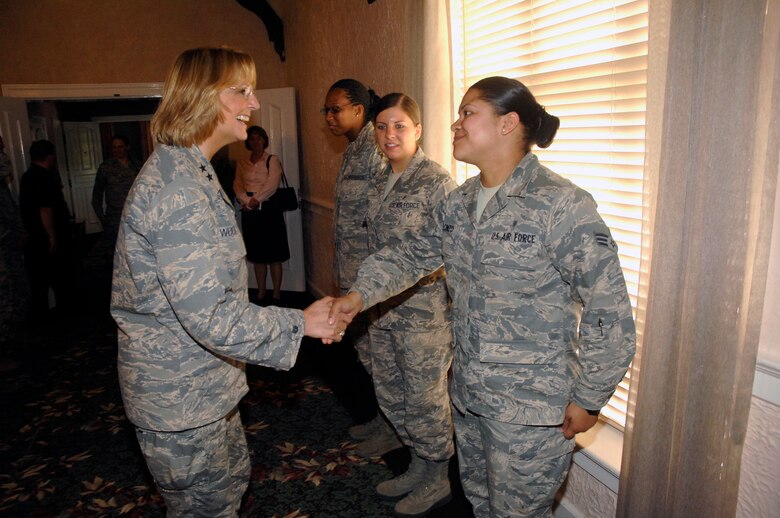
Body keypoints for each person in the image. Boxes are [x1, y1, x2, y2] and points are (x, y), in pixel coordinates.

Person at [330, 77, 636, 517]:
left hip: (529, 411)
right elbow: (410, 254)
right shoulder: (459, 203)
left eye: (468, 113)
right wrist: (358, 296)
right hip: (470, 396)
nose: (455, 123)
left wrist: (589, 398)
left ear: (508, 123)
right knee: (481, 505)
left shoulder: (560, 204)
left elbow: (610, 311)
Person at [110, 47, 348, 518]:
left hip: (202, 387)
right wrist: (299, 322)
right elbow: (210, 317)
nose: (254, 103)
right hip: (180, 398)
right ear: (201, 98)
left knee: (228, 491)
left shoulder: (192, 171)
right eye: (240, 90)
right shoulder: (178, 190)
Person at [366, 93, 458, 516]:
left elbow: (443, 251)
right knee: (391, 393)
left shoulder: (437, 182)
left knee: (424, 401)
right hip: (382, 313)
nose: (389, 134)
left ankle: (437, 477)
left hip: (422, 317)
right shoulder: (379, 179)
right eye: (382, 126)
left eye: (399, 125)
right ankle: (419, 463)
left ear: (418, 130)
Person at [322, 78, 401, 457]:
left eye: (335, 108)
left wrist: (372, 280)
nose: (329, 117)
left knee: (382, 357)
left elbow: (384, 219)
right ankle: (383, 418)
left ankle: (393, 428)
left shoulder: (376, 148)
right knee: (369, 354)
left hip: (372, 279)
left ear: (358, 109)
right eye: (327, 111)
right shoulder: (354, 150)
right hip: (355, 277)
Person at [19, 139, 73, 324]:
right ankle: (58, 319)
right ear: (50, 157)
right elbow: (45, 209)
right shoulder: (44, 177)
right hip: (45, 238)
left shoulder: (27, 176)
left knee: (39, 281)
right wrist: (51, 236)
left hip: (34, 236)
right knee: (57, 278)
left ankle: (44, 319)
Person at [234, 125, 290, 304]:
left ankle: (276, 292)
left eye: (259, 138)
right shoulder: (242, 162)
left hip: (269, 210)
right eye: (252, 138)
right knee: (257, 255)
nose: (256, 141)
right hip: (249, 211)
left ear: (265, 140)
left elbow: (272, 184)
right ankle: (260, 291)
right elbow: (237, 184)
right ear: (248, 142)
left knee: (275, 255)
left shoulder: (272, 160)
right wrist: (245, 199)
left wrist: (256, 199)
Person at [91, 134, 141, 244]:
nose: (117, 150)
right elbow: (97, 195)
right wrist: (102, 218)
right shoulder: (106, 167)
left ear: (127, 147)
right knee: (115, 248)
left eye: (120, 147)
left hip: (135, 215)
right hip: (114, 217)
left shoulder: (138, 166)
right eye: (114, 147)